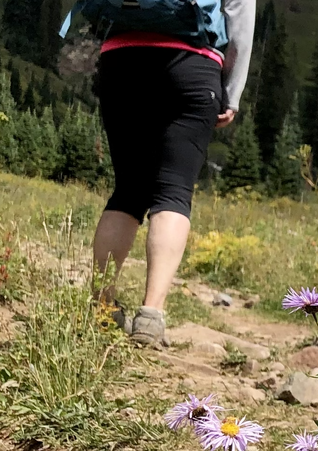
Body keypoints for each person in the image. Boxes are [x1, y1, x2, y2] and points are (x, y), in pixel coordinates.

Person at [85, 0, 255, 346]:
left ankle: (101, 307)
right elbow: (239, 10)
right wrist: (231, 91)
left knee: (129, 190)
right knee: (173, 192)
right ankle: (150, 315)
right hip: (192, 61)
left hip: (121, 54)